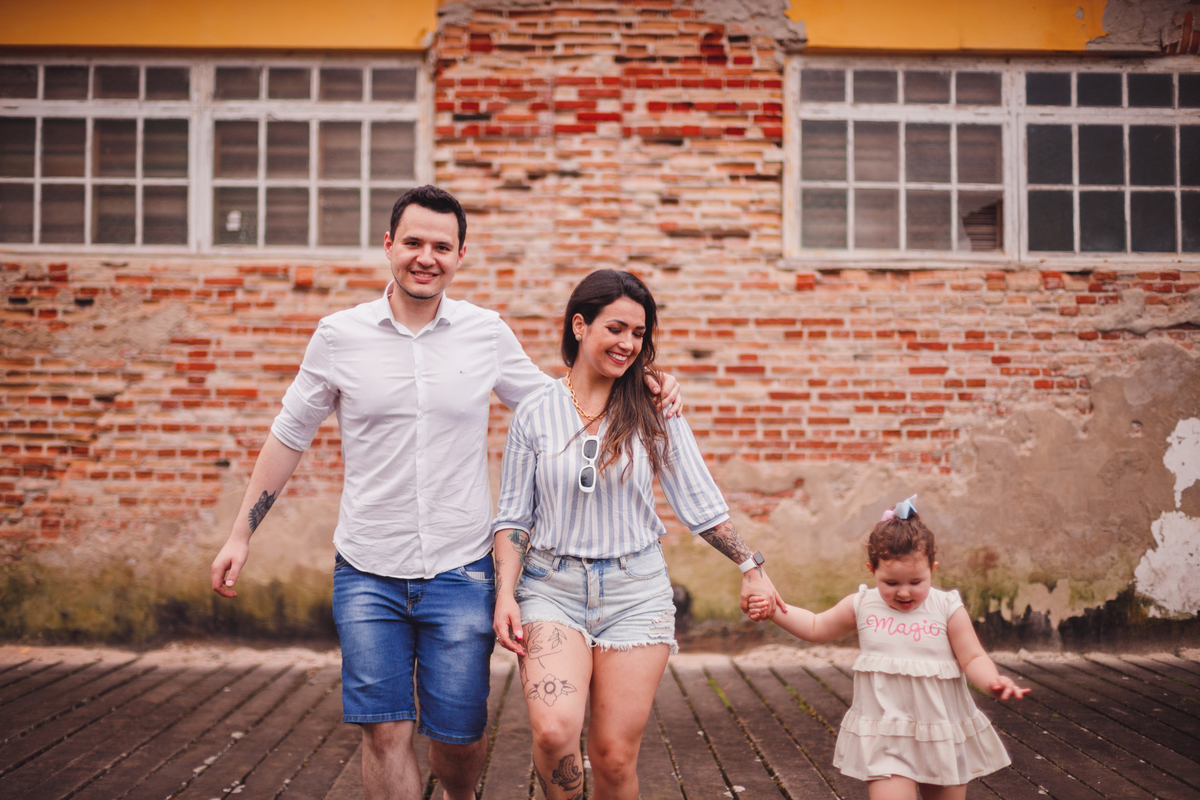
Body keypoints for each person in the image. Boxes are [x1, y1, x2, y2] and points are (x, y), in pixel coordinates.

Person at [209, 186, 681, 800]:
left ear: (460, 255)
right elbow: (288, 436)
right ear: (389, 246)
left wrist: (640, 379)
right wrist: (241, 534)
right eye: (413, 242)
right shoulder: (338, 336)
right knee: (384, 731)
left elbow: (557, 402)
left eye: (441, 245)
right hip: (367, 568)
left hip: (461, 570)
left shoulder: (484, 333)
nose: (425, 257)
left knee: (458, 735)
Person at [491, 269, 786, 800]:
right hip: (550, 588)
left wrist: (752, 568)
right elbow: (513, 517)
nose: (629, 343)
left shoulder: (653, 406)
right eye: (616, 328)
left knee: (613, 756)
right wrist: (505, 594)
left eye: (639, 333)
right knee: (556, 732)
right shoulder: (535, 411)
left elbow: (697, 498)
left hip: (635, 591)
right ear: (580, 326)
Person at [748, 496, 1028, 800]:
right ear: (872, 570)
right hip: (886, 735)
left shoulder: (946, 608)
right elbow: (816, 626)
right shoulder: (863, 604)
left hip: (939, 731)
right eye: (891, 583)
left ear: (933, 569)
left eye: (916, 581)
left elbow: (972, 656)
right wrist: (775, 610)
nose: (904, 592)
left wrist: (992, 681)